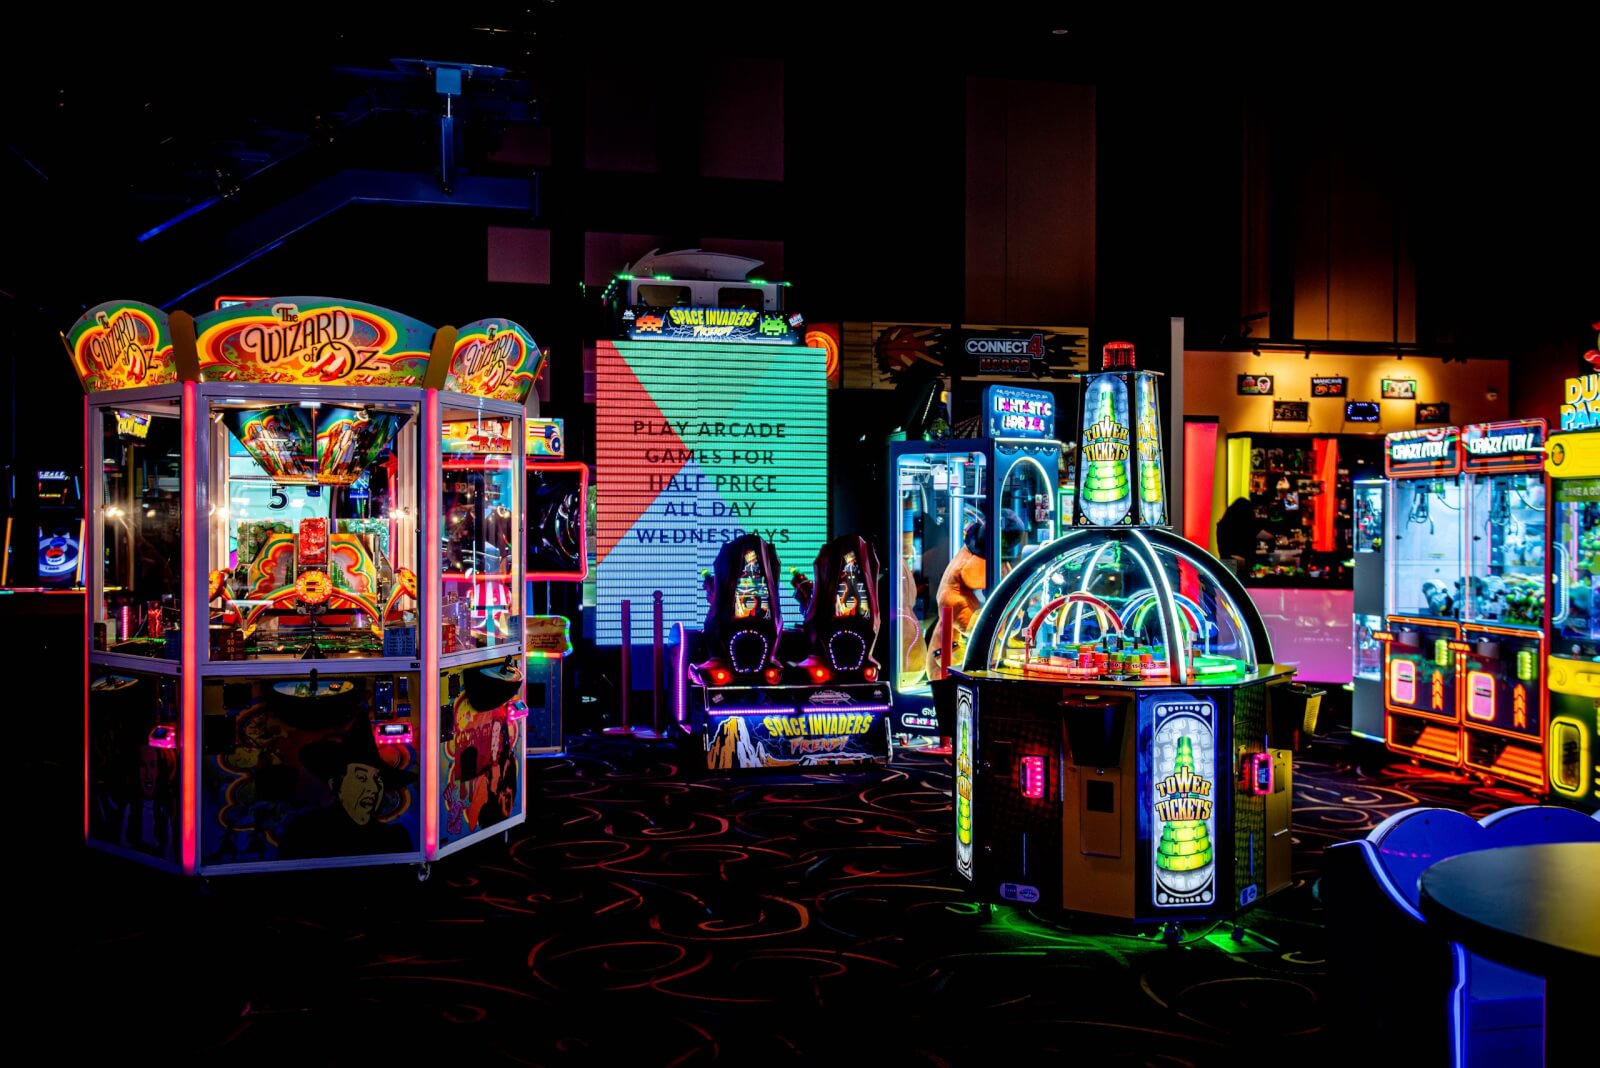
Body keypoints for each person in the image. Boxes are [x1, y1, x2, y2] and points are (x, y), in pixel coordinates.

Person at [275, 715, 417, 860]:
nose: (372, 788)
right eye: (361, 778)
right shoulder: (301, 836)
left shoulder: (394, 839)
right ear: (335, 784)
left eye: (377, 779)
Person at [928, 519, 987, 680]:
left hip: (950, 614)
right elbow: (973, 577)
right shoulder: (973, 560)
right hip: (954, 608)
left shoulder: (970, 555)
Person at [1215, 497, 1265, 574]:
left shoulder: (1223, 525)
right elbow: (1267, 536)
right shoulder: (1245, 526)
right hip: (1241, 565)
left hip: (1226, 564)